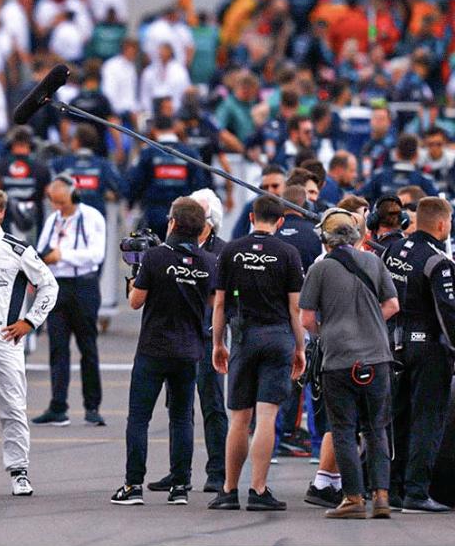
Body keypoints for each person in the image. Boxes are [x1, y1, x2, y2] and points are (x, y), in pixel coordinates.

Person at [110, 198, 217, 506]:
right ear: (200, 229)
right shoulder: (209, 261)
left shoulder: (156, 257)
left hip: (154, 349)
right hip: (189, 349)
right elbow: (214, 302)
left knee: (139, 418)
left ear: (172, 223)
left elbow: (135, 301)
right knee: (182, 418)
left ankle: (133, 485)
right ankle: (180, 485)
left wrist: (135, 274)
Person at [299, 208, 399, 519]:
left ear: (325, 239)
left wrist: (326, 333)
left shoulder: (320, 269)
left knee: (343, 429)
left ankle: (353, 497)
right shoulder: (374, 262)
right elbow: (392, 305)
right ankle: (381, 497)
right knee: (376, 429)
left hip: (339, 360)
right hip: (377, 357)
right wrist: (370, 323)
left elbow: (306, 319)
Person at [209, 195, 306, 512]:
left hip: (243, 337)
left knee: (239, 418)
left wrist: (218, 343)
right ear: (281, 221)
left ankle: (228, 489)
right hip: (277, 337)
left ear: (251, 217)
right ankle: (258, 489)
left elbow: (220, 303)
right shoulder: (288, 253)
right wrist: (300, 347)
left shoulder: (231, 251)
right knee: (266, 416)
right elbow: (295, 308)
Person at [0, 187, 59, 497]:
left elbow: (49, 285)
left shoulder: (18, 249)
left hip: (5, 339)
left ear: (2, 213)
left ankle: (19, 472)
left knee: (13, 406)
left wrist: (29, 322)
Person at [382, 197, 455, 513]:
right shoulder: (438, 262)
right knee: (427, 419)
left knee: (397, 417)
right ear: (441, 224)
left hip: (394, 345)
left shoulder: (392, 251)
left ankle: (392, 488)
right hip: (428, 350)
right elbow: (447, 312)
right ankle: (417, 492)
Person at [32, 175, 107, 427]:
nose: (58, 207)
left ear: (74, 196)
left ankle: (92, 406)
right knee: (57, 347)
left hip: (84, 285)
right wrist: (45, 258)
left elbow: (96, 254)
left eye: (62, 202)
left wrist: (62, 255)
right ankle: (58, 405)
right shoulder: (53, 219)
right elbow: (42, 249)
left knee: (88, 347)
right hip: (57, 286)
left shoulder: (92, 217)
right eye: (54, 202)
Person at [125, 116, 207, 239]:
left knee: (153, 248)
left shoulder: (148, 153)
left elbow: (135, 182)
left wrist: (130, 203)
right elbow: (200, 185)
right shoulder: (189, 154)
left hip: (153, 215)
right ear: (174, 129)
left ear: (154, 130)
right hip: (183, 218)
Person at [359, 133, 438, 203]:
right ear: (417, 155)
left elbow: (359, 197)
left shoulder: (379, 176)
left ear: (396, 153)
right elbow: (438, 205)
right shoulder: (424, 180)